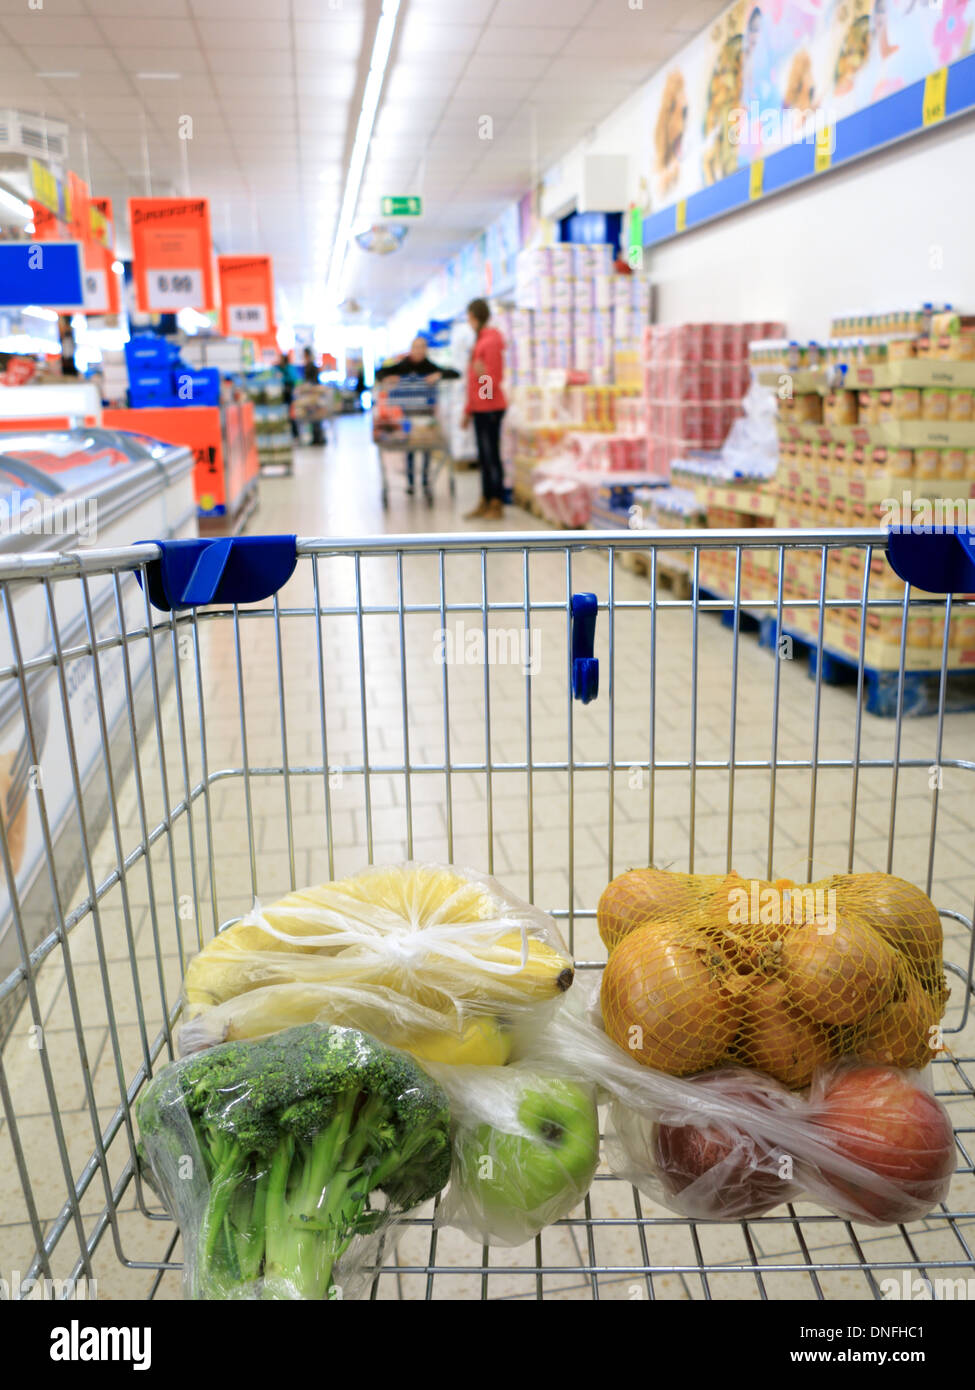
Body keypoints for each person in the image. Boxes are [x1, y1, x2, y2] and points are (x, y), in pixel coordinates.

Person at [376, 335, 459, 496]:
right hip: (405, 415)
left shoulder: (430, 367)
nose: (419, 350)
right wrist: (388, 378)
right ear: (411, 349)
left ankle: (426, 480)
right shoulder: (402, 366)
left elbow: (454, 373)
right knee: (409, 448)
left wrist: (439, 376)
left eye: (422, 347)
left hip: (426, 415)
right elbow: (379, 373)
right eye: (416, 347)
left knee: (426, 447)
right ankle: (411, 482)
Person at [462, 299, 507, 520]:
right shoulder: (480, 340)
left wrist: (482, 377)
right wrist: (468, 410)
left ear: (475, 316)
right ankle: (485, 499)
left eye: (469, 317)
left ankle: (496, 503)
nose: (468, 322)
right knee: (484, 457)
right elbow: (475, 380)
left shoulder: (491, 341)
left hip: (490, 408)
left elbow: (494, 379)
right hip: (480, 408)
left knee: (491, 456)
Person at [302, 347, 325, 445]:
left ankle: (318, 437)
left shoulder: (311, 366)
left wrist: (309, 387)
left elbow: (314, 381)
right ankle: (316, 437)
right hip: (311, 394)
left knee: (315, 416)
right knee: (313, 416)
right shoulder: (309, 365)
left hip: (314, 395)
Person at [277, 351, 298, 437]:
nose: (279, 360)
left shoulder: (289, 368)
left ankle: (295, 434)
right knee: (284, 415)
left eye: (280, 359)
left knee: (291, 415)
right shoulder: (279, 368)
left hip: (289, 395)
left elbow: (294, 379)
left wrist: (283, 378)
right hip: (282, 395)